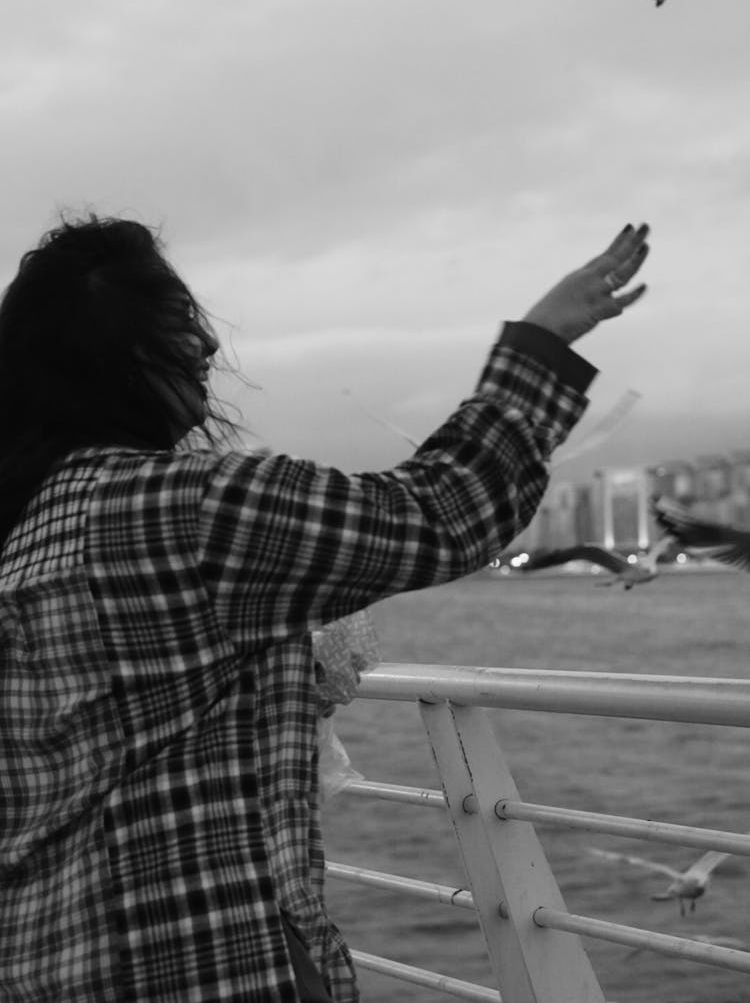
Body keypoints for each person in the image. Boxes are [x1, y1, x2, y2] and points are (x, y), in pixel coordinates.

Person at [0, 214, 649, 1002]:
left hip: (47, 957)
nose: (207, 349)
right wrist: (543, 342)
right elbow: (443, 512)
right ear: (114, 354)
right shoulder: (193, 507)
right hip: (197, 958)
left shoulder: (26, 530)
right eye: (180, 325)